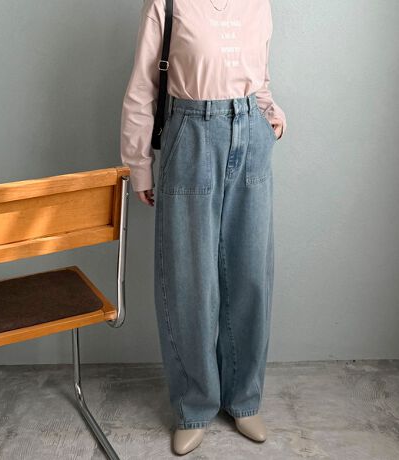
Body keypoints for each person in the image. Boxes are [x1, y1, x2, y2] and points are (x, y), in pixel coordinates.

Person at [120, 0, 286, 455]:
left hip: (250, 133)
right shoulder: (167, 4)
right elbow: (142, 88)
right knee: (189, 280)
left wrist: (272, 118)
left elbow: (260, 77)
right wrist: (139, 165)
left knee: (251, 275)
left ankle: (244, 399)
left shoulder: (258, 5)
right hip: (191, 134)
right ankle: (194, 405)